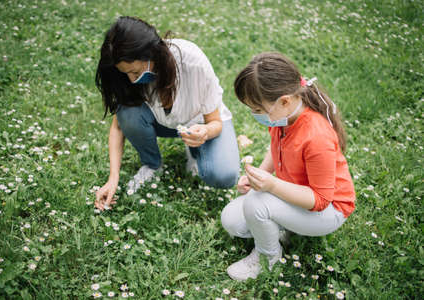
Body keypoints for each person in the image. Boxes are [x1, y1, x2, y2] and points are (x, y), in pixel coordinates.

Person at [220, 52, 356, 281]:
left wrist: (271, 185)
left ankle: (267, 259)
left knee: (256, 203)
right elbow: (276, 148)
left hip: (328, 210)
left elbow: (320, 199)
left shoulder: (316, 136)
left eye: (258, 109)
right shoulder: (283, 117)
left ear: (285, 101)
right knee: (232, 221)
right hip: (295, 193)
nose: (255, 115)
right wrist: (261, 175)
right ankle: (281, 227)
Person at [94, 16, 240, 211]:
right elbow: (119, 125)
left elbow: (215, 122)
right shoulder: (129, 77)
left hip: (202, 122)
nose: (131, 79)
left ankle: (195, 151)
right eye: (125, 73)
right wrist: (113, 179)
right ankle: (152, 165)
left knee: (224, 175)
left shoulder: (193, 63)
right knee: (127, 113)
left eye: (136, 73)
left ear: (151, 55)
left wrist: (204, 132)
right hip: (163, 122)